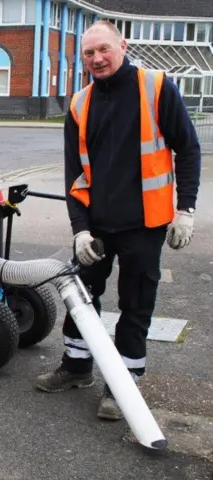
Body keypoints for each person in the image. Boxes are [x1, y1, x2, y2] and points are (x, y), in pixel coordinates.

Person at [35, 21, 200, 420]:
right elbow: (74, 174)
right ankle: (76, 368)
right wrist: (80, 230)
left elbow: (188, 149)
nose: (97, 59)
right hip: (98, 225)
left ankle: (122, 386)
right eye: (89, 53)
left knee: (136, 302)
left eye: (104, 49)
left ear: (122, 46)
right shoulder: (79, 104)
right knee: (82, 300)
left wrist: (186, 210)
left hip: (146, 224)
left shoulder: (157, 87)